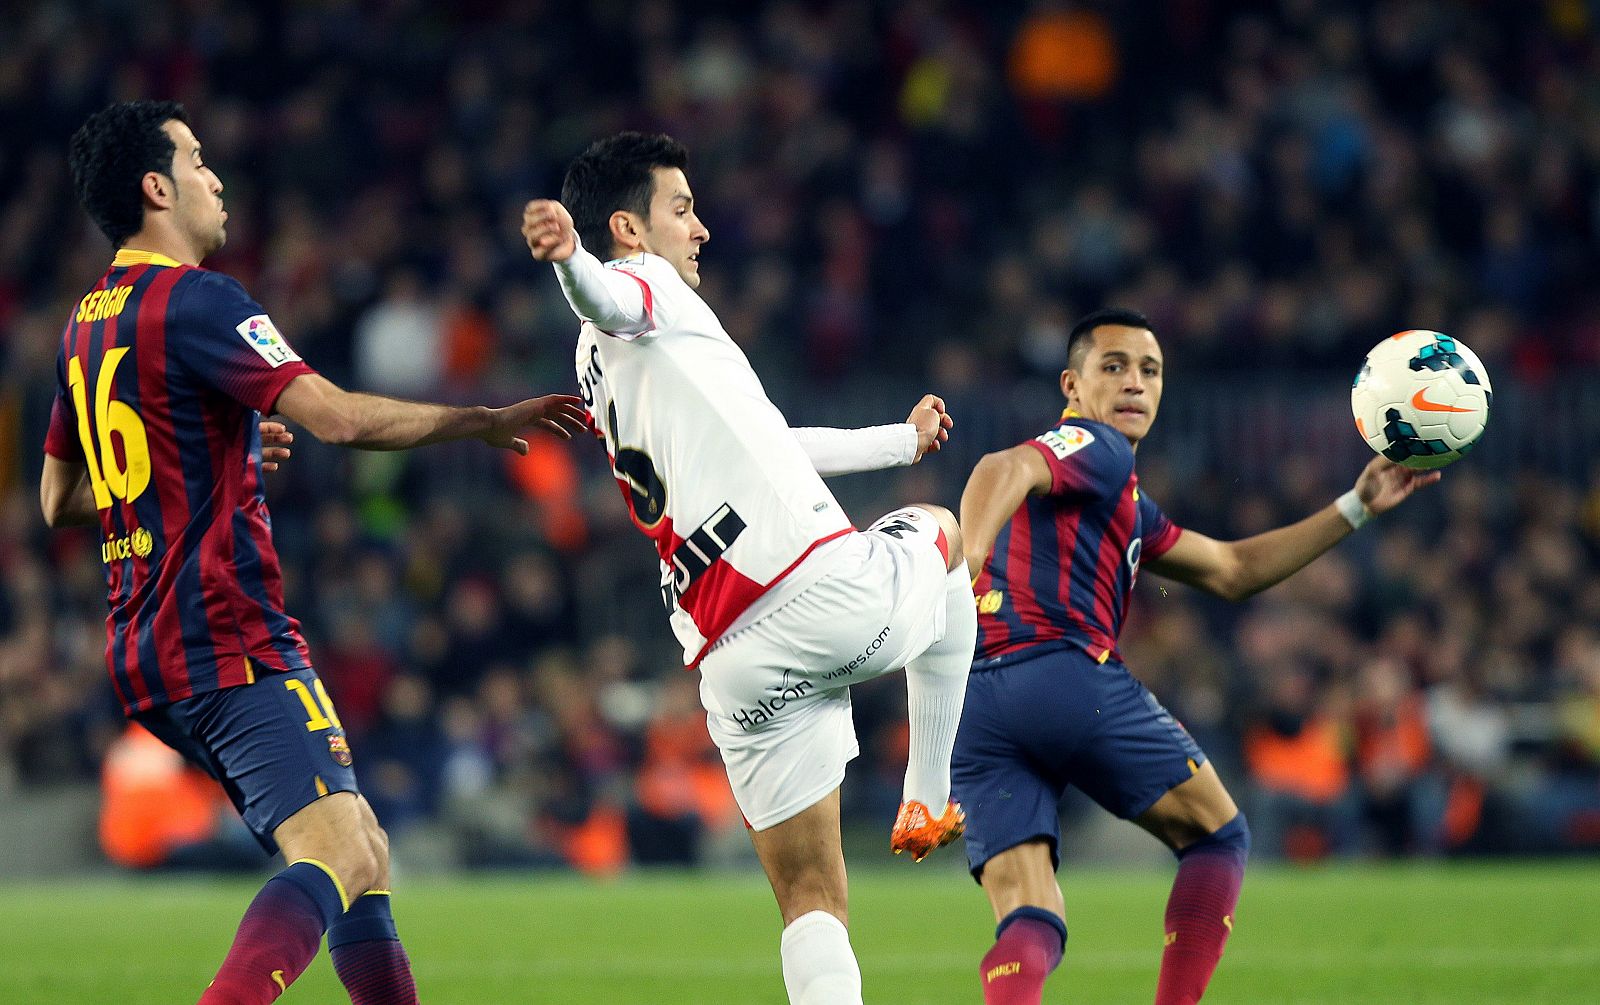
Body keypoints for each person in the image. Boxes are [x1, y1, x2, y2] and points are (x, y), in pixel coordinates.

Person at [42, 100, 587, 1005]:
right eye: (197, 159)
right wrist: (480, 418)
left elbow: (59, 496)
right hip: (225, 630)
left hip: (145, 644)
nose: (216, 178)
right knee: (341, 848)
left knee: (359, 848)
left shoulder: (84, 325)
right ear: (155, 187)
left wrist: (211, 457)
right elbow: (334, 416)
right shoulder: (200, 300)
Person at [521, 132, 979, 1005]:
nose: (701, 230)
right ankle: (928, 792)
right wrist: (568, 257)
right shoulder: (642, 288)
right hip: (812, 592)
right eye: (682, 209)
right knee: (946, 528)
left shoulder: (600, 366)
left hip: (729, 654)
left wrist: (899, 438)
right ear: (630, 228)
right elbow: (604, 291)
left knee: (811, 899)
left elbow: (774, 447)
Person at [953, 308, 1440, 1004]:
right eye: (1113, 366)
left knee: (1032, 916)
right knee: (1218, 836)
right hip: (1059, 670)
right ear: (1072, 383)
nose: (1134, 383)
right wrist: (967, 555)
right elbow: (1001, 465)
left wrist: (1354, 506)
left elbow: (1231, 568)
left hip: (976, 706)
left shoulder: (1119, 498)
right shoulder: (1096, 447)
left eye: (1150, 370)